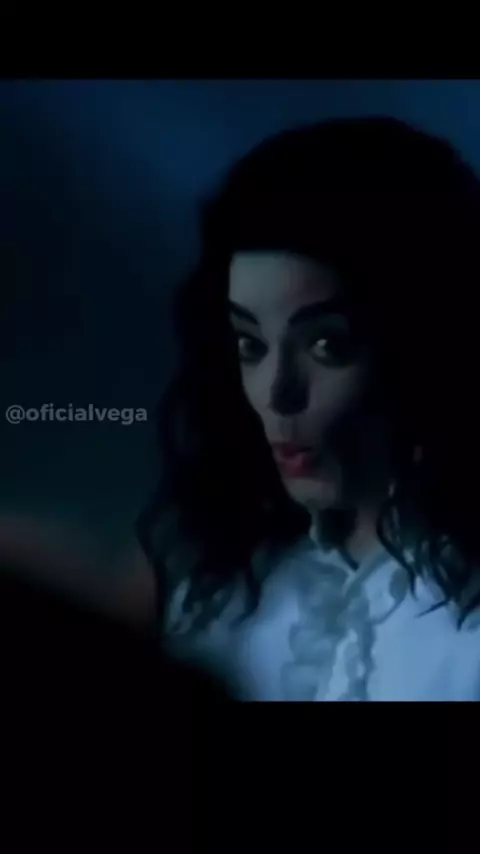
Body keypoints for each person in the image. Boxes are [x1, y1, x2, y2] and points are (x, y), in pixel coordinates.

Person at [137, 116, 480, 701]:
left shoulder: (462, 626)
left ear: (423, 345)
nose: (277, 394)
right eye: (250, 344)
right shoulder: (223, 596)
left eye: (326, 345)